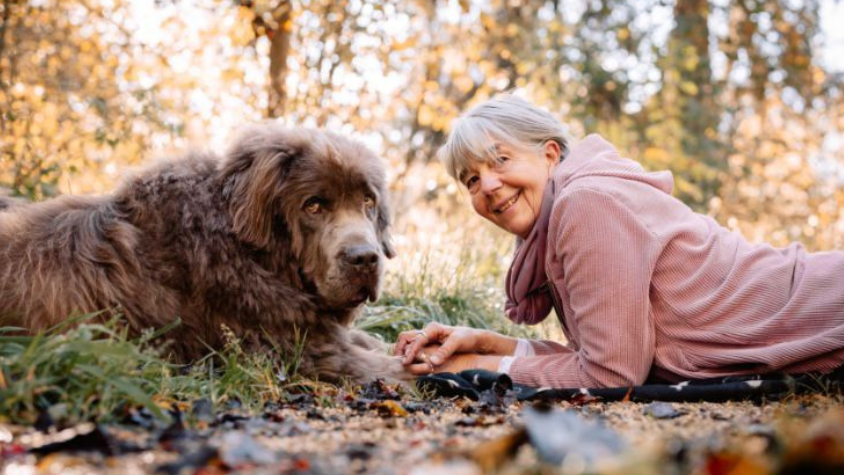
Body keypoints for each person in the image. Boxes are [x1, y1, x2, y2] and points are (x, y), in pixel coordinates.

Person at [394, 93, 844, 389]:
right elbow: (609, 356)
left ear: (550, 154)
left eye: (500, 159)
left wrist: (478, 371)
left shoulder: (586, 203)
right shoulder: (566, 210)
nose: (487, 185)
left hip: (821, 308)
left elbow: (611, 376)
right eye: (471, 179)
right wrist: (488, 345)